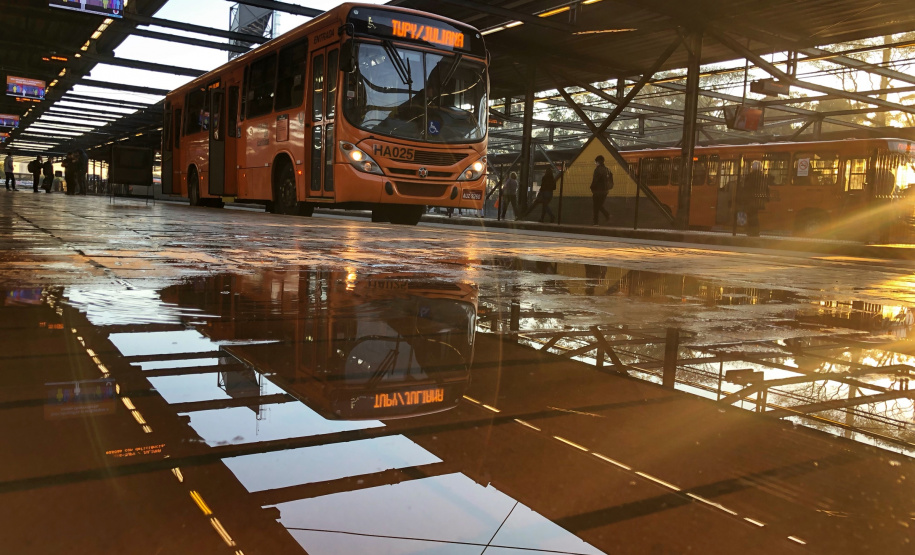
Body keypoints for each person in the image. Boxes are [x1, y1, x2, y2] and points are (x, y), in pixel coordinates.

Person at [737, 161, 768, 237]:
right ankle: (756, 231)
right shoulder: (764, 176)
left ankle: (751, 232)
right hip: (760, 200)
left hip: (750, 200)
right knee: (755, 216)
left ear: (753, 168)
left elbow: (747, 188)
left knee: (751, 216)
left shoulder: (750, 176)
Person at [590, 155, 613, 225]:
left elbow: (595, 180)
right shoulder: (608, 170)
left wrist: (591, 187)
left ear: (598, 162)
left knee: (596, 206)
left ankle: (596, 222)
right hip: (605, 191)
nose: (595, 164)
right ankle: (606, 216)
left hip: (597, 191)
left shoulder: (597, 170)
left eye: (596, 162)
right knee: (599, 205)